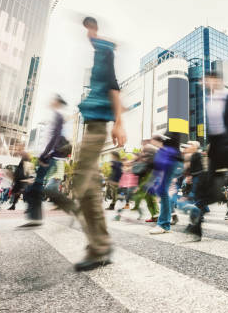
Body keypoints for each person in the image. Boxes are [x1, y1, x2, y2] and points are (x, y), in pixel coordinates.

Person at [55, 16, 126, 271]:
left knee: (83, 187)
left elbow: (114, 89)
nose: (88, 35)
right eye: (86, 30)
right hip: (91, 128)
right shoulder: (99, 58)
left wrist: (119, 123)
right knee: (91, 189)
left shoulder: (104, 56)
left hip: (97, 129)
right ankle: (100, 244)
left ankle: (98, 244)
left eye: (91, 30)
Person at [184, 70, 228, 240]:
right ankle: (196, 226)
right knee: (204, 186)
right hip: (216, 149)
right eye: (205, 81)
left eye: (209, 80)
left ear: (217, 80)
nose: (206, 84)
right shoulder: (208, 101)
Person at [21, 95, 67, 227]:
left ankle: (36, 217)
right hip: (47, 155)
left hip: (48, 156)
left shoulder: (57, 116)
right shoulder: (54, 116)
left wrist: (45, 154)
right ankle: (35, 216)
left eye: (53, 100)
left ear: (57, 102)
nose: (50, 101)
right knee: (36, 185)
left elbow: (55, 137)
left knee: (37, 185)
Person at [149, 132, 183, 234]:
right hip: (171, 159)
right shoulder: (163, 148)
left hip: (171, 159)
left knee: (163, 192)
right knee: (163, 192)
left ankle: (164, 224)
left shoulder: (174, 127)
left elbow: (175, 141)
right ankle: (165, 223)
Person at [8, 145, 34, 210]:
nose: (17, 148)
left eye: (18, 147)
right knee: (17, 192)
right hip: (20, 178)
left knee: (22, 192)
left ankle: (30, 206)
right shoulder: (23, 160)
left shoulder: (25, 155)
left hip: (22, 178)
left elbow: (17, 154)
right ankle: (13, 205)